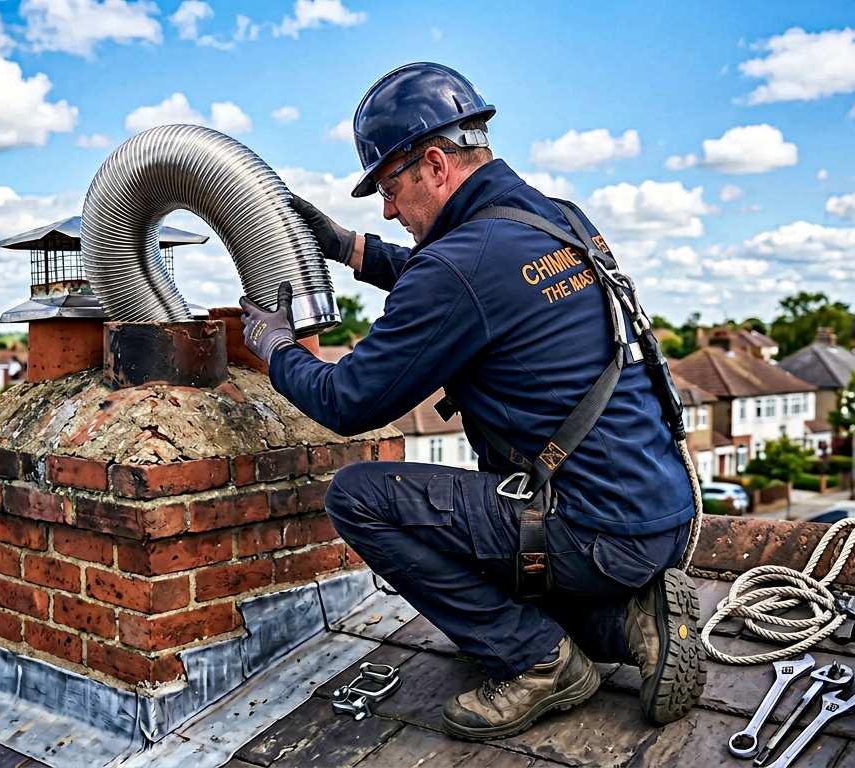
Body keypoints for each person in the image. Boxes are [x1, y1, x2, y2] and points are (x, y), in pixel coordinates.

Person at [238, 62, 706, 742]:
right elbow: (466, 282)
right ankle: (633, 620)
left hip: (590, 531)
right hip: (656, 516)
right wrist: (350, 249)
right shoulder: (554, 217)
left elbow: (347, 400)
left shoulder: (463, 263)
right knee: (488, 578)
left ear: (434, 163)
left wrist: (277, 348)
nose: (388, 210)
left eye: (389, 189)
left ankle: (539, 663)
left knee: (360, 498)